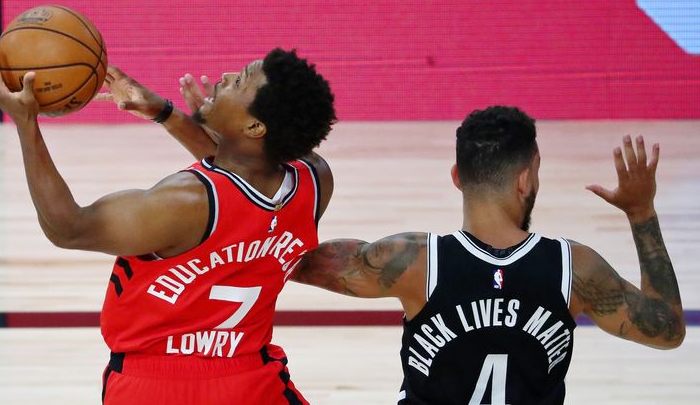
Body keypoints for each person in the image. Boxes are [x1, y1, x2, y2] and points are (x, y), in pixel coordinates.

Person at [0, 45, 336, 405]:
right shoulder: (316, 181)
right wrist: (166, 113)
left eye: (239, 81)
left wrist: (25, 123)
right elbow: (247, 172)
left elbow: (68, 228)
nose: (225, 77)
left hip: (154, 384)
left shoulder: (186, 203)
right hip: (252, 381)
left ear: (255, 125)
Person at [293, 106, 685, 404]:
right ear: (526, 179)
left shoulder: (412, 261)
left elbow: (285, 260)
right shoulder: (575, 269)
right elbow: (667, 330)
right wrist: (641, 213)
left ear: (457, 177)